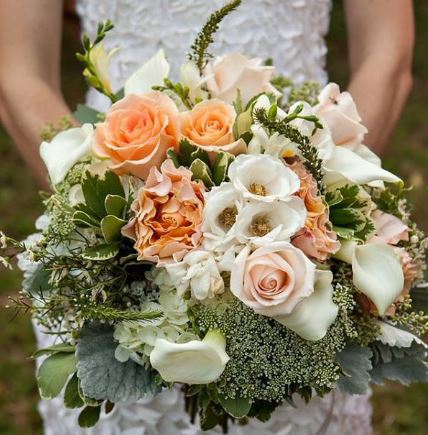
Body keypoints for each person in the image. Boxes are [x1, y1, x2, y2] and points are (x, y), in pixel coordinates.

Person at [0, 1, 414, 434]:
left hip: (303, 243)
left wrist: (314, 202)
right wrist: (118, 229)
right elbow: (20, 75)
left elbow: (388, 57)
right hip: (112, 233)